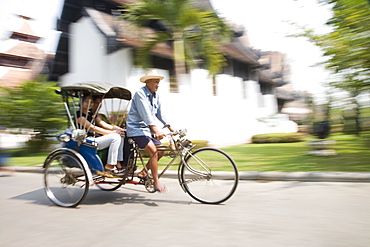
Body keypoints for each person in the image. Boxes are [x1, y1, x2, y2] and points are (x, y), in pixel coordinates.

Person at [126, 70, 175, 192]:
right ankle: (156, 182)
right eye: (155, 82)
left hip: (147, 131)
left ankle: (143, 172)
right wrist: (156, 130)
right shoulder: (140, 94)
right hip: (136, 130)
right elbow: (145, 114)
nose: (158, 85)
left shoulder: (155, 96)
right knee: (153, 151)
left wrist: (169, 126)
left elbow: (160, 113)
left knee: (161, 151)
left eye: (158, 82)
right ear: (148, 82)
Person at [76, 95, 126, 174]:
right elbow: (93, 128)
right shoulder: (79, 115)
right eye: (87, 101)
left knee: (120, 135)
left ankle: (118, 162)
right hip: (86, 141)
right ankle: (110, 165)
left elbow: (104, 124)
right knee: (115, 137)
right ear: (81, 103)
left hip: (95, 139)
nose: (90, 103)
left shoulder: (92, 115)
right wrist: (113, 133)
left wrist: (119, 129)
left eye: (91, 102)